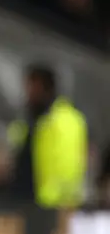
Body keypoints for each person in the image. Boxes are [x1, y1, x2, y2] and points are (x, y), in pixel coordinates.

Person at [8, 64, 87, 208]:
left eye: (32, 86)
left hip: (52, 203)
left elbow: (68, 164)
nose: (28, 92)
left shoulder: (65, 119)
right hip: (26, 198)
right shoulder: (29, 118)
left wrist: (62, 201)